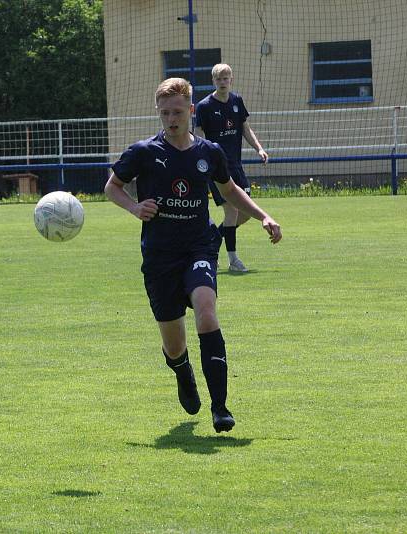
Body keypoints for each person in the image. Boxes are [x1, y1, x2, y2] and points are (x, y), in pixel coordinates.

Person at [104, 78, 282, 432]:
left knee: (205, 310)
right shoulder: (143, 152)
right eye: (165, 112)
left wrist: (263, 215)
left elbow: (229, 190)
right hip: (159, 256)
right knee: (173, 345)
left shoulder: (209, 153)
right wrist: (134, 207)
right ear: (159, 112)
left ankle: (220, 407)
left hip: (200, 246)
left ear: (191, 111)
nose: (171, 118)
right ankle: (182, 371)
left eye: (178, 111)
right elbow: (112, 186)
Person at [194, 63, 269, 272]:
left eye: (226, 78)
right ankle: (234, 260)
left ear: (231, 79)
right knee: (232, 210)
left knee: (245, 213)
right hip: (217, 168)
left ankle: (212, 242)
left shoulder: (237, 101)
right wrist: (201, 160)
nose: (222, 82)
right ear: (213, 81)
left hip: (236, 166)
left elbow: (245, 128)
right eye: (219, 79)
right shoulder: (204, 106)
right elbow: (198, 135)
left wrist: (259, 149)